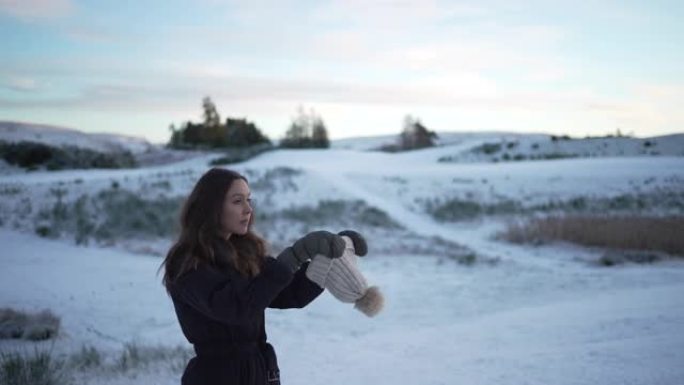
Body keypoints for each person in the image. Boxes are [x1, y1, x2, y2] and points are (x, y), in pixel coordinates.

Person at [160, 167, 363, 385]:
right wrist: (294, 255)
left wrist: (330, 255)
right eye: (237, 201)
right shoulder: (187, 262)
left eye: (249, 200)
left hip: (260, 373)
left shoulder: (245, 253)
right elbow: (235, 308)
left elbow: (290, 294)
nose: (248, 209)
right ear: (212, 207)